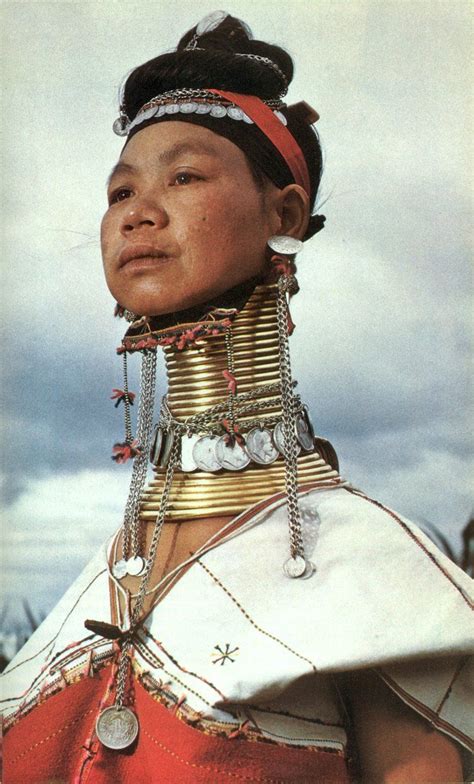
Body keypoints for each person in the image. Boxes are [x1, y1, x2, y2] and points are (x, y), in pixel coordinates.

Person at [2, 12, 472, 783]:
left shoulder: (369, 574)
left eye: (184, 177)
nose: (137, 211)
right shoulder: (111, 568)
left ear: (284, 214)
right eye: (121, 189)